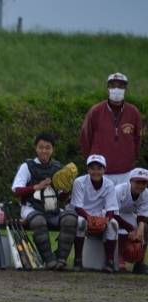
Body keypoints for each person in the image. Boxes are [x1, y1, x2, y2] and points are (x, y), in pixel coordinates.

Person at [11, 133, 77, 271]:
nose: (44, 151)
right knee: (38, 221)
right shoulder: (27, 166)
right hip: (31, 207)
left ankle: (61, 259)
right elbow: (17, 191)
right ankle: (49, 260)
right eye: (41, 147)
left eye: (48, 148)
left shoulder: (58, 168)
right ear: (35, 148)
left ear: (53, 149)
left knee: (71, 218)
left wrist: (67, 189)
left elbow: (61, 198)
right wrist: (36, 187)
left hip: (52, 209)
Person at [79, 72, 143, 186]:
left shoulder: (133, 112)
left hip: (126, 172)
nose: (116, 89)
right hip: (101, 171)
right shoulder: (96, 111)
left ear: (126, 90)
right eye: (113, 86)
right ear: (107, 89)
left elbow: (138, 139)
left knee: (124, 198)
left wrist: (131, 157)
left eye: (120, 86)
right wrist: (92, 161)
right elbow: (85, 137)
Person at [69, 154, 120, 273]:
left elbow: (111, 208)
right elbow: (77, 207)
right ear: (87, 169)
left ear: (104, 169)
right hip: (82, 213)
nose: (96, 172)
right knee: (81, 223)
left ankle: (109, 261)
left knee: (113, 225)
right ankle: (78, 260)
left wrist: (107, 220)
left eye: (99, 168)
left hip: (100, 214)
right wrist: (88, 218)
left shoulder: (109, 184)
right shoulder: (79, 182)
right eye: (92, 168)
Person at [114, 167, 148, 274]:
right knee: (116, 226)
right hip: (109, 214)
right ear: (131, 181)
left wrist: (140, 230)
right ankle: (119, 257)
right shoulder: (119, 190)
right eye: (138, 182)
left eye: (144, 182)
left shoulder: (146, 193)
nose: (141, 185)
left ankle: (139, 263)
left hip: (126, 214)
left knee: (145, 229)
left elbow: (142, 214)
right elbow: (113, 212)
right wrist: (130, 228)